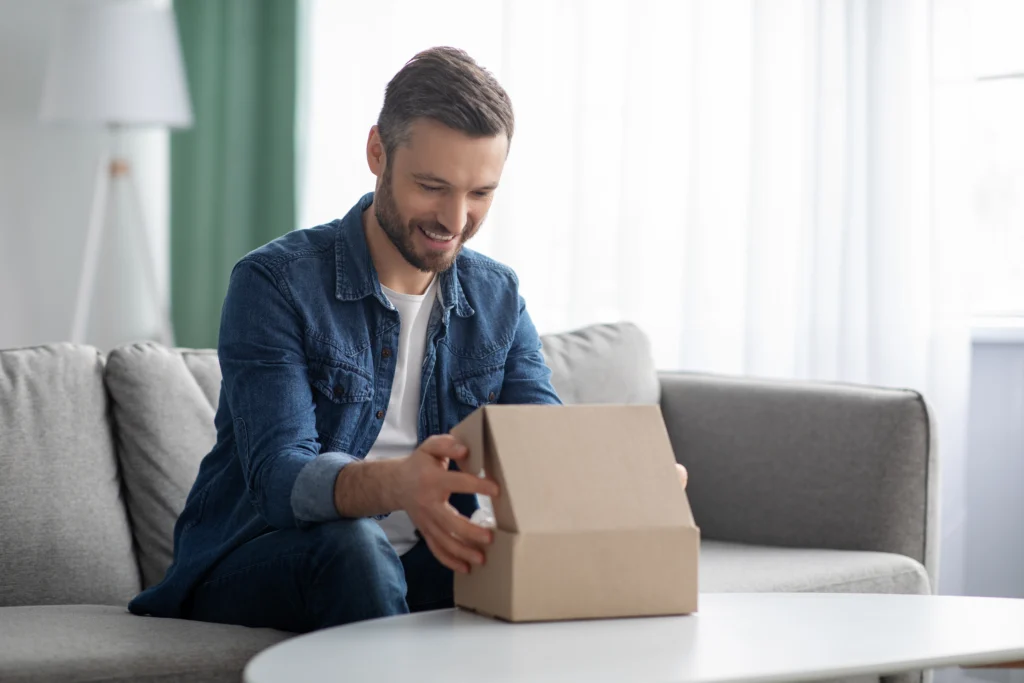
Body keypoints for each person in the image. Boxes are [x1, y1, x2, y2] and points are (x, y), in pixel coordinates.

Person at [129, 46, 686, 633]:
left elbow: (540, 443)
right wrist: (400, 483)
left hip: (419, 563)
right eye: (432, 186)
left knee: (516, 553)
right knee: (354, 545)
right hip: (266, 556)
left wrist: (621, 485)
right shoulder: (275, 283)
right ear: (378, 153)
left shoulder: (496, 296)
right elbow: (279, 477)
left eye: (480, 193)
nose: (455, 220)